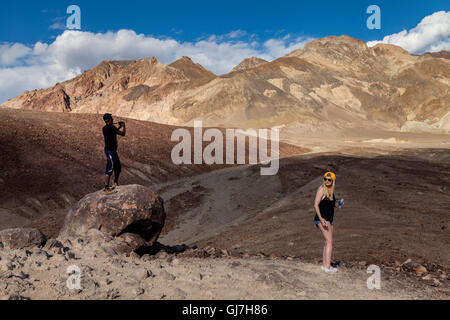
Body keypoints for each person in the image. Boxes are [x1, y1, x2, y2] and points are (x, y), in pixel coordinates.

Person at [314, 172, 344, 273]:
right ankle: (327, 267)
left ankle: (324, 265)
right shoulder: (321, 189)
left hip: (329, 220)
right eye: (325, 179)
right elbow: (316, 204)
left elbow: (331, 205)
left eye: (329, 180)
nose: (327, 181)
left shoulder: (331, 192)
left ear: (333, 181)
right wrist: (321, 219)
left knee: (327, 242)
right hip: (323, 219)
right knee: (330, 242)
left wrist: (338, 204)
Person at [102, 113, 126, 194]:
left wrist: (118, 127)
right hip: (110, 151)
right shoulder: (111, 127)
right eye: (111, 118)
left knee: (117, 166)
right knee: (110, 167)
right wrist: (123, 126)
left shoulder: (105, 128)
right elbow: (123, 134)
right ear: (110, 119)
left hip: (111, 151)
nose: (113, 119)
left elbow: (114, 131)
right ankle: (106, 188)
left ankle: (115, 183)